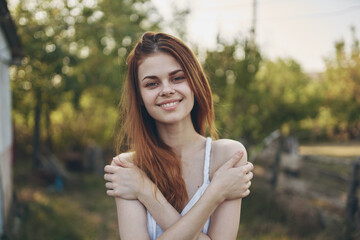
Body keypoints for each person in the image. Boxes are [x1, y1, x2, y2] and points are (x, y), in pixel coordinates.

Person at [103, 32, 254, 240]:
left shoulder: (229, 156)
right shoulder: (128, 168)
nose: (166, 90)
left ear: (194, 83)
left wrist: (146, 192)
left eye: (177, 78)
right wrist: (215, 194)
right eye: (152, 84)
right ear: (139, 96)